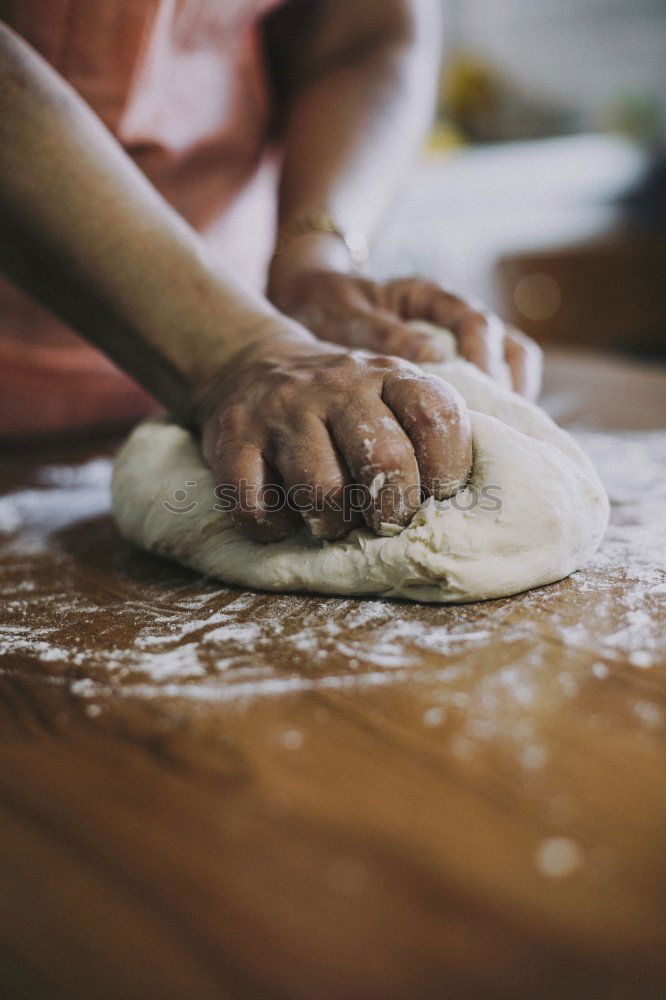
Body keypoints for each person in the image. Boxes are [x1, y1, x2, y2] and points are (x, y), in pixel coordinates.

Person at [0, 1, 541, 542]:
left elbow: (365, 32)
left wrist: (312, 258)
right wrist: (234, 350)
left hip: (252, 354)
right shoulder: (243, 361)